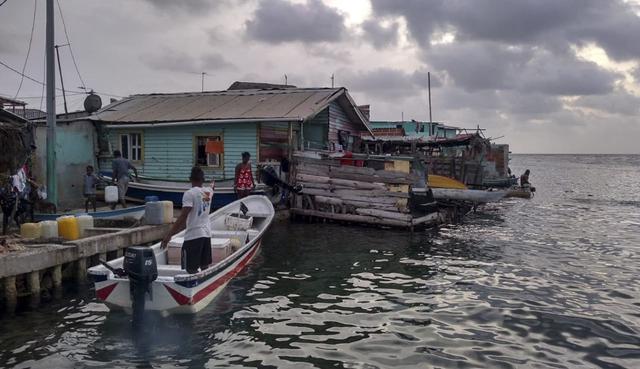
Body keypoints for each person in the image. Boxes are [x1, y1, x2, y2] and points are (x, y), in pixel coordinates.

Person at [161, 167, 214, 274]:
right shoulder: (209, 192)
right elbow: (212, 187)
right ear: (202, 180)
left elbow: (183, 216)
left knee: (190, 269)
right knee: (204, 266)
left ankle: (190, 288)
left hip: (194, 235)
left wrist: (169, 235)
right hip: (207, 235)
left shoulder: (189, 194)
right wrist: (212, 185)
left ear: (190, 179)